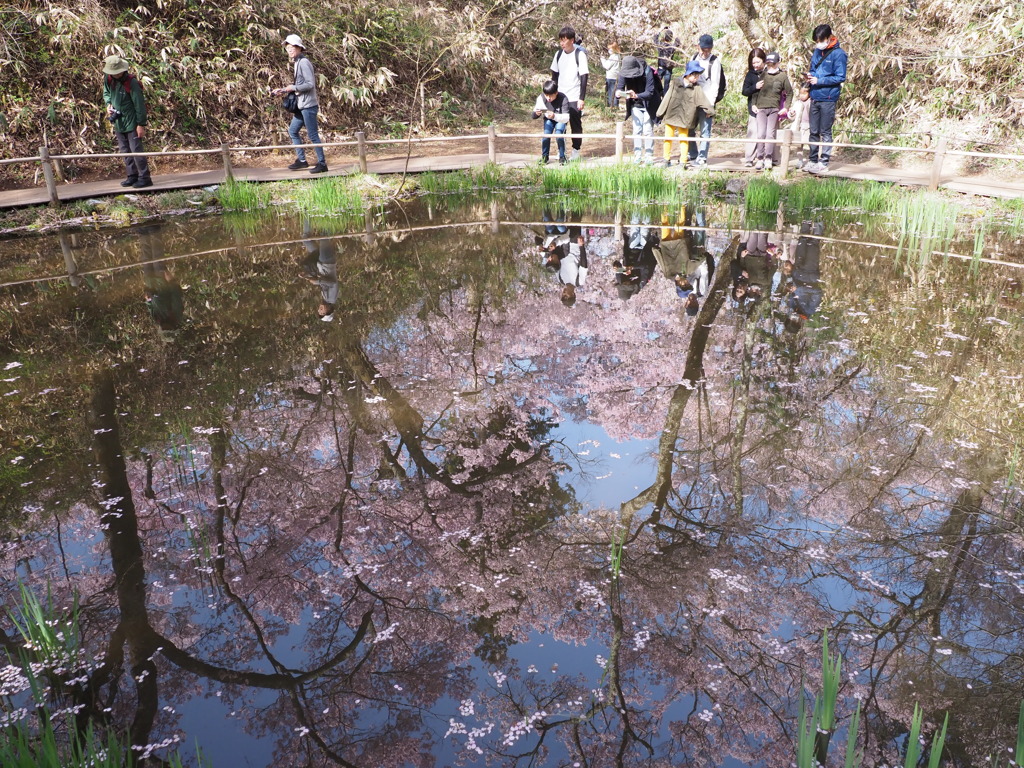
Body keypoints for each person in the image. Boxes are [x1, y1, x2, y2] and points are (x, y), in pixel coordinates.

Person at [272, 34, 328, 174]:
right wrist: (283, 90)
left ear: (299, 48)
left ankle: (322, 164)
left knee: (313, 134)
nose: (289, 50)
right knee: (292, 131)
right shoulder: (297, 62)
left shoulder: (303, 62)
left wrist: (293, 88)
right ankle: (302, 161)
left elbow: (309, 84)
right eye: (287, 48)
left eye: (292, 47)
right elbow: (298, 85)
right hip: (301, 105)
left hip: (308, 105)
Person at [102, 55, 152, 189]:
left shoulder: (132, 83)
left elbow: (139, 104)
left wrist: (141, 124)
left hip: (132, 122)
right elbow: (106, 92)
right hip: (119, 122)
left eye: (117, 72)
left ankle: (144, 177)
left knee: (136, 149)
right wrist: (108, 104)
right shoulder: (109, 79)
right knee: (125, 150)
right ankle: (132, 176)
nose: (115, 75)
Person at [805, 23, 848, 175]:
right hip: (815, 96)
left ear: (829, 38)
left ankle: (824, 161)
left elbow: (840, 77)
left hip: (829, 97)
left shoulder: (839, 54)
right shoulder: (817, 52)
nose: (818, 44)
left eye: (821, 40)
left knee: (825, 131)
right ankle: (812, 159)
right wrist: (810, 77)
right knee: (813, 131)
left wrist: (820, 80)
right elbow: (813, 69)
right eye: (816, 41)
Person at [656, 60, 714, 168]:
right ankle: (666, 159)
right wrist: (660, 112)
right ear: (688, 74)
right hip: (671, 114)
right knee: (668, 137)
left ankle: (683, 161)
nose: (696, 78)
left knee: (683, 138)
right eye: (695, 76)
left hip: (685, 117)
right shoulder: (675, 83)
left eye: (698, 76)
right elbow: (667, 97)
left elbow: (703, 101)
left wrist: (710, 111)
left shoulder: (696, 88)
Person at [550, 26, 589, 161]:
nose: (562, 43)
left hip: (574, 94)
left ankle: (576, 150)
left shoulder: (580, 54)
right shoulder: (558, 54)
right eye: (560, 40)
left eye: (564, 40)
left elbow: (584, 77)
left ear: (572, 40)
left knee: (575, 123)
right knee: (559, 123)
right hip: (560, 94)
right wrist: (553, 94)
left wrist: (581, 98)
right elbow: (554, 75)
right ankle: (561, 150)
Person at [752, 52, 792, 170]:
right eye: (768, 64)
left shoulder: (782, 76)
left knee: (770, 134)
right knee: (761, 134)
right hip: (761, 108)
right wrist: (754, 104)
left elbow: (789, 92)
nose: (771, 67)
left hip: (774, 109)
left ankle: (768, 158)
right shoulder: (763, 74)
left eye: (773, 64)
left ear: (778, 63)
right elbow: (756, 90)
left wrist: (786, 107)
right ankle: (760, 158)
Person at [615, 55, 657, 164]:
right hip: (635, 105)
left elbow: (650, 92)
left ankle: (649, 156)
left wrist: (636, 95)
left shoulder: (647, 71)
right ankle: (637, 156)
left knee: (647, 130)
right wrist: (619, 94)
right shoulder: (623, 73)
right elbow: (619, 87)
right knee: (637, 130)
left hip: (649, 103)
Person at [688, 34, 722, 167]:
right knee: (689, 127)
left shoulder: (714, 62)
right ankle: (693, 153)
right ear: (698, 47)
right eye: (703, 49)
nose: (705, 52)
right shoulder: (693, 58)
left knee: (705, 130)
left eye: (708, 49)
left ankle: (702, 157)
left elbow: (715, 85)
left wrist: (710, 106)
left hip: (706, 99)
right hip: (693, 98)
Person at [532, 79, 571, 165]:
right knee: (546, 135)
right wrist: (536, 114)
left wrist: (555, 116)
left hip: (560, 119)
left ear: (556, 93)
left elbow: (566, 117)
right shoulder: (541, 98)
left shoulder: (563, 98)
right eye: (546, 95)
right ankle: (544, 158)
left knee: (559, 135)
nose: (548, 98)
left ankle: (562, 157)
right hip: (548, 120)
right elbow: (533, 116)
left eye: (551, 96)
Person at [741, 48, 767, 167]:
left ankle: (767, 158)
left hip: (769, 108)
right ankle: (749, 159)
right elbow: (745, 91)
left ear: (764, 60)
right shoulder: (750, 75)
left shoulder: (770, 73)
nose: (756, 65)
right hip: (754, 108)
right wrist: (755, 87)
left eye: (758, 62)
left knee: (768, 133)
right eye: (753, 63)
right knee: (753, 132)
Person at [784, 84, 812, 168]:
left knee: (810, 143)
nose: (802, 96)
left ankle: (812, 160)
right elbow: (791, 116)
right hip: (798, 126)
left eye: (804, 94)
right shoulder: (797, 103)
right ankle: (800, 160)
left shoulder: (811, 102)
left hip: (808, 126)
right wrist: (791, 113)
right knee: (799, 145)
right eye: (800, 94)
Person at [601, 40, 622, 108]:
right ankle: (613, 105)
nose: (609, 50)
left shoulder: (614, 57)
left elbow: (606, 66)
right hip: (615, 76)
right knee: (613, 91)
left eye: (610, 48)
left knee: (611, 92)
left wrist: (602, 59)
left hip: (611, 77)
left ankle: (613, 106)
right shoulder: (617, 56)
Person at [655, 28, 677, 93]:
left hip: (661, 67)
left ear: (664, 37)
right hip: (668, 68)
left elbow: (655, 38)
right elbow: (678, 41)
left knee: (657, 83)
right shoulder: (672, 47)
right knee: (666, 86)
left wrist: (661, 30)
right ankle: (665, 99)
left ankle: (657, 96)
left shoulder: (660, 45)